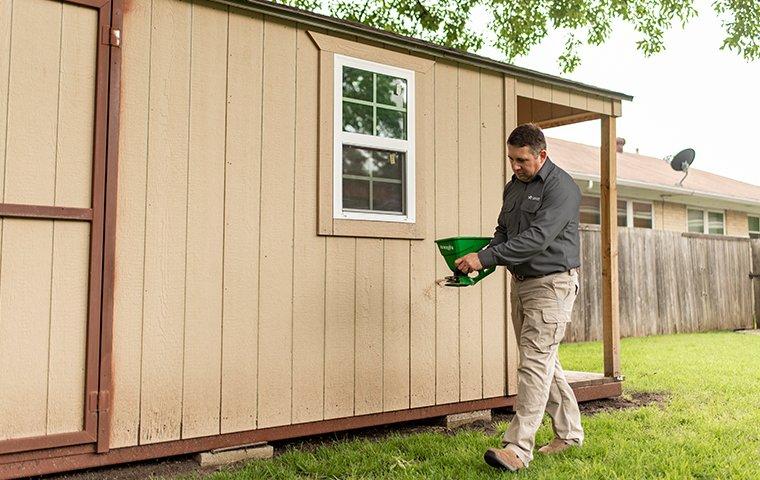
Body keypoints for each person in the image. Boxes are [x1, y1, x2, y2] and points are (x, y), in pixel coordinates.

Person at [454, 123, 584, 472]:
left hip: (552, 285)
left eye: (521, 160)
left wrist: (485, 258)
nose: (515, 166)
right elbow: (504, 232)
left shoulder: (562, 188)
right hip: (522, 283)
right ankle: (570, 433)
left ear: (542, 155)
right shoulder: (513, 188)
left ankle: (518, 448)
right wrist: (477, 260)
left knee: (534, 365)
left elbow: (538, 239)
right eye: (511, 159)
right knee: (544, 362)